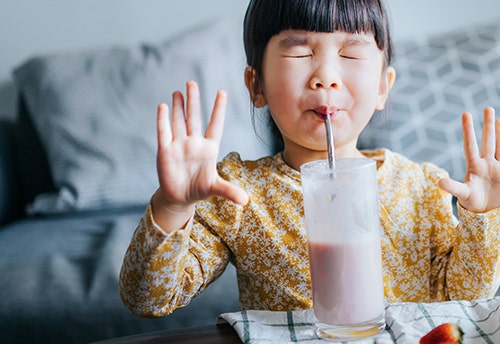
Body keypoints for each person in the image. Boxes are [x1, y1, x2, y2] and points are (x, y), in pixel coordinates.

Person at [119, 0, 500, 318]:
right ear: (257, 86)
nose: (326, 76)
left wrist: (485, 216)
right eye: (300, 52)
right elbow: (149, 300)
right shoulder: (236, 194)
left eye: (350, 53)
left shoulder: (420, 187)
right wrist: (171, 207)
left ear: (383, 87)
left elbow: (466, 299)